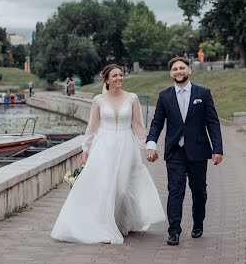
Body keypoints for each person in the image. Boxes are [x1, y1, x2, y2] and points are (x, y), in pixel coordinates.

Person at [51, 64, 165, 244]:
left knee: (121, 187)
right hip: (104, 146)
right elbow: (92, 128)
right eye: (115, 75)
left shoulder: (132, 98)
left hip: (126, 145)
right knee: (105, 186)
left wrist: (148, 147)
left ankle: (121, 221)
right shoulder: (98, 100)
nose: (119, 78)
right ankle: (104, 226)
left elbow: (138, 126)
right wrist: (85, 151)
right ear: (106, 79)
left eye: (121, 75)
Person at [146, 56, 223, 246]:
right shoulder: (164, 96)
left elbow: (212, 122)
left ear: (189, 70)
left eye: (182, 68)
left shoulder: (203, 94)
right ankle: (174, 231)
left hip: (198, 150)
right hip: (175, 152)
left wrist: (217, 149)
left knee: (199, 192)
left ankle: (198, 223)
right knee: (175, 191)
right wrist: (151, 145)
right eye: (174, 69)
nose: (178, 71)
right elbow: (157, 123)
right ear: (170, 73)